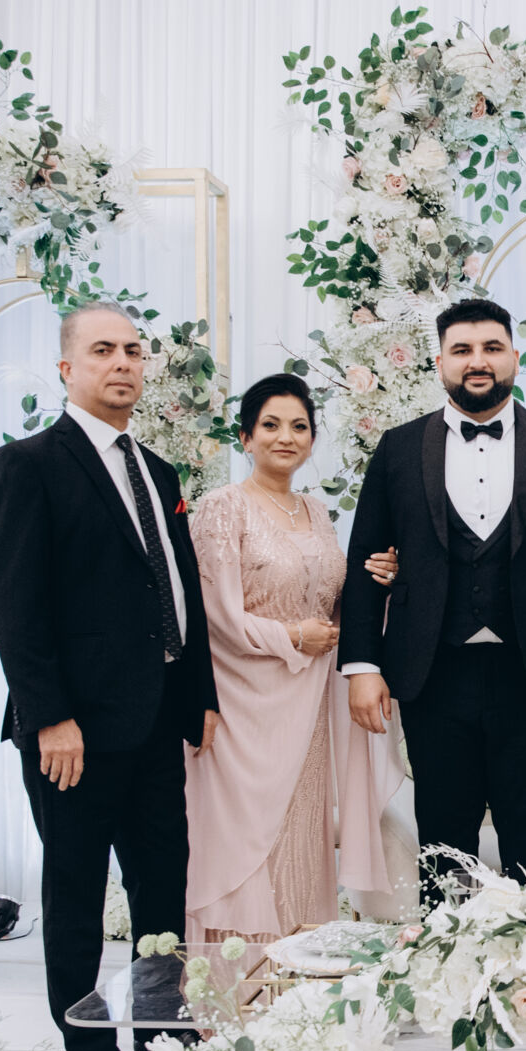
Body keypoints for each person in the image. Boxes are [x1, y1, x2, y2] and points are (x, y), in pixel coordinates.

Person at [0, 300, 219, 1051]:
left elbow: (178, 592)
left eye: (132, 350)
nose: (121, 363)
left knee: (161, 888)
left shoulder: (158, 471)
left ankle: (160, 1034)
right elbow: (14, 607)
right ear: (67, 368)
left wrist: (198, 695)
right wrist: (50, 716)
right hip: (72, 731)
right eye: (102, 350)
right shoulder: (27, 465)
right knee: (78, 894)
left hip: (154, 718)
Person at [337, 298, 526, 898]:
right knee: (443, 840)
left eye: (491, 348)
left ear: (514, 357)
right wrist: (362, 664)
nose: (478, 361)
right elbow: (365, 560)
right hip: (431, 669)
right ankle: (447, 953)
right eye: (462, 350)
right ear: (440, 362)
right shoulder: (397, 448)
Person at [183, 373, 347, 943]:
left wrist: (382, 577)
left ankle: (297, 981)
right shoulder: (222, 508)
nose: (286, 437)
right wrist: (293, 636)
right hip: (241, 708)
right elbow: (213, 614)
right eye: (270, 425)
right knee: (241, 840)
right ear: (246, 437)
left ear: (312, 439)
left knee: (299, 834)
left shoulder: (318, 513)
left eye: (299, 426)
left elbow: (330, 598)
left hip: (307, 704)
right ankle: (235, 984)